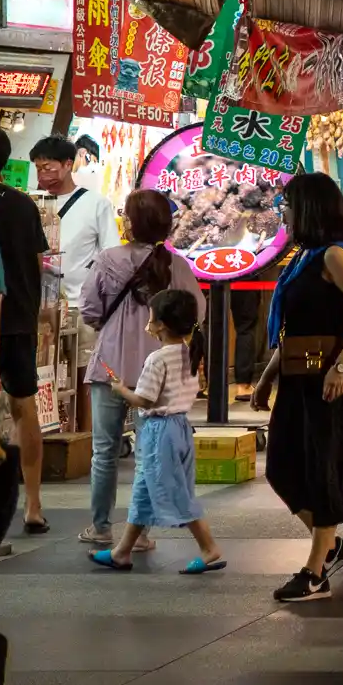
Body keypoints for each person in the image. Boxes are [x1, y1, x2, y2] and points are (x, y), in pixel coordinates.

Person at [251, 172, 343, 603]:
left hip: (328, 379)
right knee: (281, 467)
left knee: (322, 467)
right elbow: (294, 330)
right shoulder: (304, 255)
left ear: (308, 207)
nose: (282, 212)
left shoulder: (333, 256)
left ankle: (315, 572)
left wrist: (341, 366)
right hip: (297, 373)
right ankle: (331, 544)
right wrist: (268, 376)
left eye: (287, 204)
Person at [78, 190, 205, 548]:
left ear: (132, 223)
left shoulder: (108, 260)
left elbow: (89, 308)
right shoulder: (177, 265)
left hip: (110, 368)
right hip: (158, 373)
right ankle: (141, 532)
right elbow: (198, 311)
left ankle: (101, 526)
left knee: (104, 450)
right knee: (148, 453)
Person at [88, 290, 223, 575]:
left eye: (150, 318)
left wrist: (121, 389)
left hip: (159, 432)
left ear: (161, 324)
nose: (148, 323)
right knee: (144, 491)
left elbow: (145, 400)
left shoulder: (157, 359)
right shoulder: (190, 352)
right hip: (180, 428)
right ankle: (122, 552)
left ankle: (209, 549)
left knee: (174, 492)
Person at [0, 126, 49, 533]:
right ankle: (33, 505)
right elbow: (39, 259)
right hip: (19, 318)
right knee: (24, 407)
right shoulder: (25, 205)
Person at [30, 135, 121, 322]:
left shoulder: (96, 204)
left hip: (80, 307)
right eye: (38, 169)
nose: (42, 175)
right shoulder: (33, 204)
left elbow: (111, 255)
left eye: (47, 168)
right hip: (39, 306)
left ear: (68, 164)